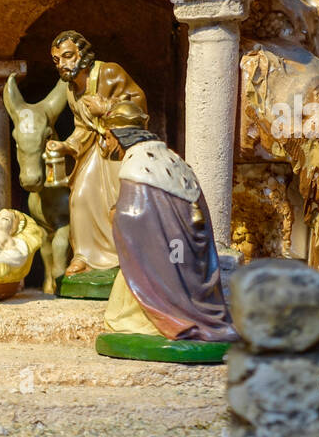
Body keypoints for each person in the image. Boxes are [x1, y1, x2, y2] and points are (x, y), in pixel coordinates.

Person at [101, 105, 238, 343]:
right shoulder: (169, 156)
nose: (104, 144)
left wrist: (117, 215)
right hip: (187, 257)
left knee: (122, 313)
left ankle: (159, 318)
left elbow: (134, 216)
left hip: (161, 260)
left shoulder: (136, 166)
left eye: (106, 137)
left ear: (118, 136)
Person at [47, 31, 147, 276]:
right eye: (57, 60)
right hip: (94, 148)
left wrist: (107, 107)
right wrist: (65, 146)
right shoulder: (71, 89)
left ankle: (127, 257)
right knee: (80, 197)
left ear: (82, 54)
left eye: (68, 56)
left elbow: (139, 103)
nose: (63, 64)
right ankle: (84, 256)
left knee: (121, 201)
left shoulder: (108, 72)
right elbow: (82, 128)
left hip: (121, 147)